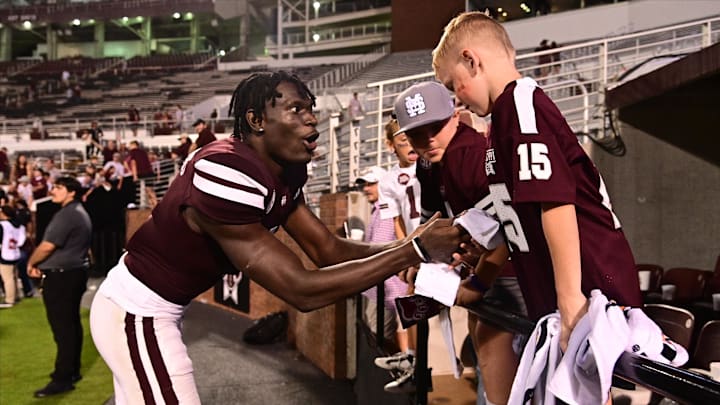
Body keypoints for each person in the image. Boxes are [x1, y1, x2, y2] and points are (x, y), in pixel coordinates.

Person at [88, 71, 467, 405]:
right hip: (137, 311)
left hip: (158, 310)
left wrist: (410, 247)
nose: (312, 122)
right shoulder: (224, 170)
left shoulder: (282, 173)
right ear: (256, 120)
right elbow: (302, 290)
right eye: (296, 110)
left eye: (311, 110)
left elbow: (327, 249)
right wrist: (413, 249)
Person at [431, 11, 642, 353]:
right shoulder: (501, 119)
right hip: (553, 288)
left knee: (583, 392)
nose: (457, 98)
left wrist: (571, 299)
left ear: (471, 60)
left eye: (454, 85)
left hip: (590, 286)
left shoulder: (522, 105)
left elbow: (555, 203)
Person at [393, 81, 527, 404]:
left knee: (507, 374)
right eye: (416, 133)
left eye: (434, 127)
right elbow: (431, 222)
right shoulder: (428, 162)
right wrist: (411, 259)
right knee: (487, 358)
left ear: (455, 116)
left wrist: (477, 284)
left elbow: (507, 235)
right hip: (485, 267)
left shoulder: (469, 155)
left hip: (514, 273)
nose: (427, 140)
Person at [27, 176, 92, 397]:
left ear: (71, 192)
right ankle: (71, 371)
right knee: (71, 326)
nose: (53, 190)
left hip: (62, 277)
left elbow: (47, 247)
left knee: (63, 329)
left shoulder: (68, 214)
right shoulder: (77, 212)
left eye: (58, 187)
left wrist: (31, 262)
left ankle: (62, 379)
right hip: (72, 274)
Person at [372, 118, 421, 392]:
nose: (411, 147)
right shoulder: (389, 181)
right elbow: (397, 222)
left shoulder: (431, 163)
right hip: (419, 243)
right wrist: (409, 250)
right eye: (403, 143)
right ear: (391, 146)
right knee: (412, 298)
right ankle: (413, 357)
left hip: (441, 240)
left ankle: (416, 359)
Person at [355, 166, 407, 349]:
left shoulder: (385, 211)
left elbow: (379, 246)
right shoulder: (378, 210)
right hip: (384, 289)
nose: (366, 189)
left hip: (388, 290)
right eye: (365, 185)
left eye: (371, 184)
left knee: (379, 341)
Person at [0, 205, 26, 308]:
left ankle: (9, 300)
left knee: (8, 278)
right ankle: (16, 296)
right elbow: (21, 241)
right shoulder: (19, 225)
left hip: (5, 253)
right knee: (14, 276)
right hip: (15, 252)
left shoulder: (3, 225)